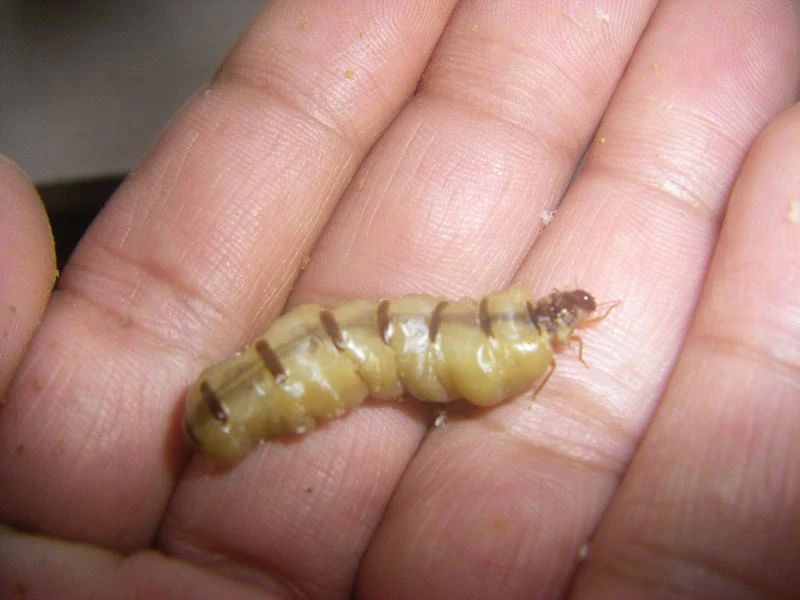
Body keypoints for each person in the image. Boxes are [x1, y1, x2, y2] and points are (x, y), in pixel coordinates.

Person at [1, 2, 798, 597]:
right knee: (354, 351)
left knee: (368, 347)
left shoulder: (507, 339)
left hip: (384, 352)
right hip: (348, 362)